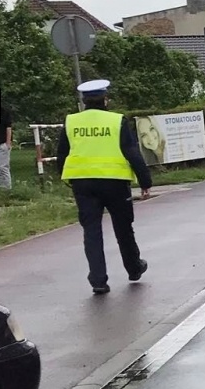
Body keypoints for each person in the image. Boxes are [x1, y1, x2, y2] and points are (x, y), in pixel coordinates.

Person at [57, 79, 152, 296]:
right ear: (106, 99)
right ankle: (134, 268)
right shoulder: (117, 121)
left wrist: (66, 178)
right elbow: (131, 151)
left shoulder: (71, 121)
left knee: (91, 231)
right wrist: (145, 181)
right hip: (115, 182)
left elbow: (62, 152)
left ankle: (98, 280)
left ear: (83, 102)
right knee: (123, 228)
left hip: (83, 183)